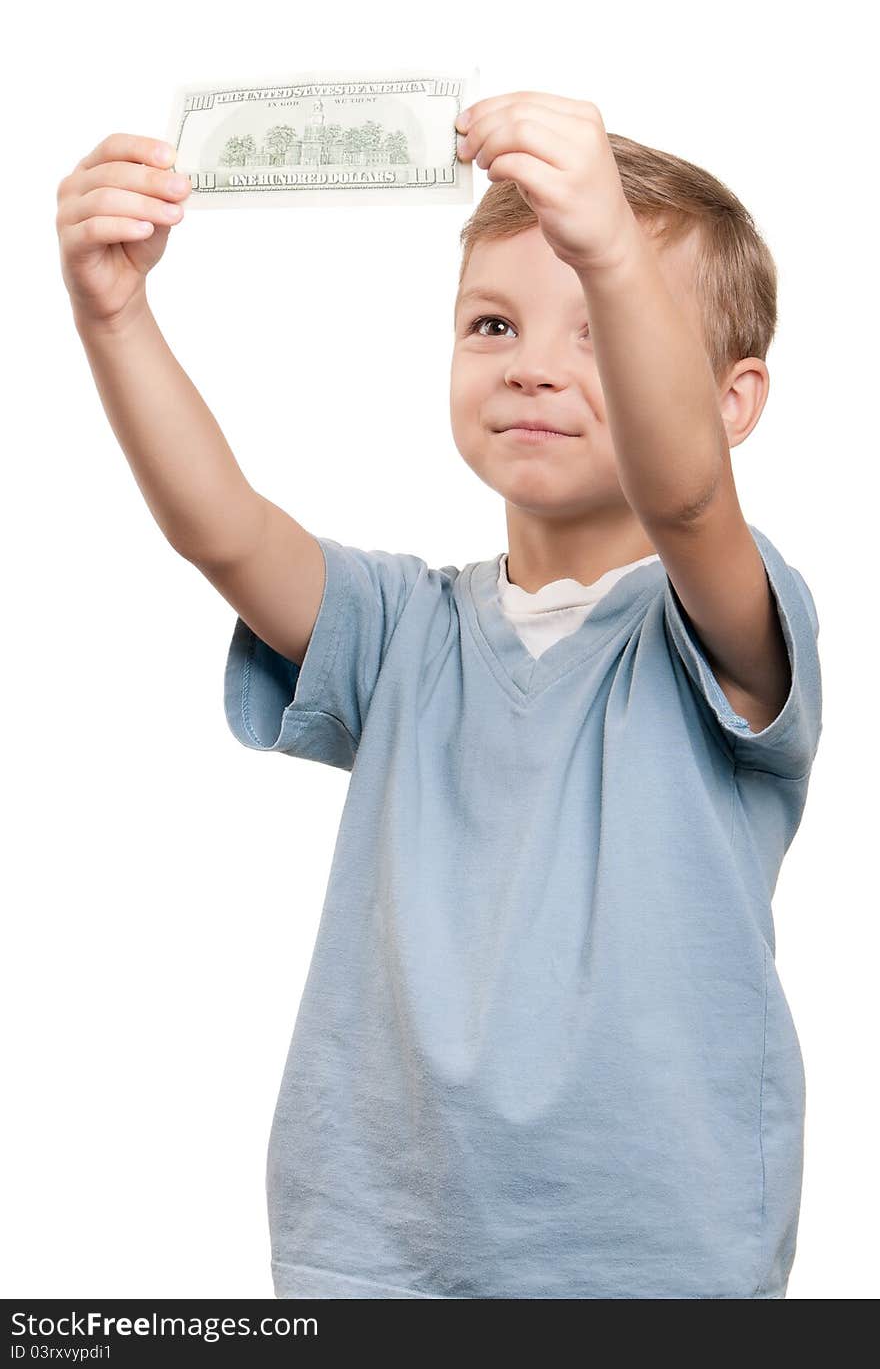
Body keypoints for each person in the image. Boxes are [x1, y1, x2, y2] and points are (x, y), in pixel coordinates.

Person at [56, 91, 822, 1300]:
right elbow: (222, 531)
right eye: (493, 324)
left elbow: (683, 500)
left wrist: (610, 241)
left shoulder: (725, 623)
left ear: (728, 402)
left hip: (653, 1259)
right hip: (382, 1253)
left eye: (602, 329)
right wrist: (115, 315)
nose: (533, 369)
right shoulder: (403, 630)